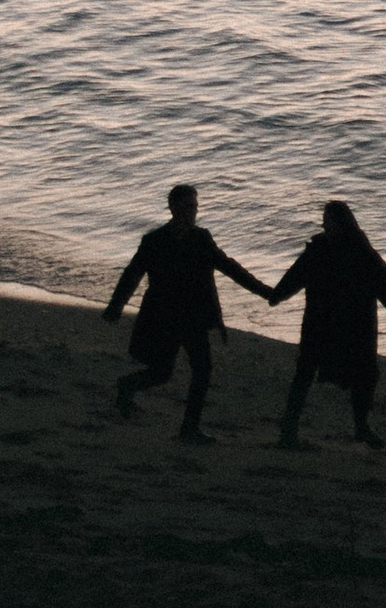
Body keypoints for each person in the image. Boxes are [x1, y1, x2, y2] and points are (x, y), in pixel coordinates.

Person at [105, 184, 274, 441]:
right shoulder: (154, 241)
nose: (191, 212)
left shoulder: (201, 238)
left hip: (194, 317)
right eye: (186, 207)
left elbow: (229, 267)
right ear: (172, 208)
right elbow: (132, 274)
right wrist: (115, 307)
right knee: (162, 373)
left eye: (194, 207)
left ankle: (189, 428)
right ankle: (127, 386)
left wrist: (265, 292)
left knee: (203, 370)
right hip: (163, 316)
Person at [272, 199, 386, 450]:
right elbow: (295, 277)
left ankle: (361, 427)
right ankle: (288, 430)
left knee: (366, 375)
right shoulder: (317, 249)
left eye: (329, 220)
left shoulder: (362, 253)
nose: (325, 225)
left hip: (355, 326)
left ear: (343, 223)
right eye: (324, 220)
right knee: (304, 373)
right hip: (319, 323)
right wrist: (276, 295)